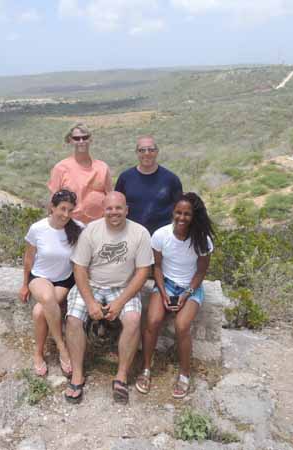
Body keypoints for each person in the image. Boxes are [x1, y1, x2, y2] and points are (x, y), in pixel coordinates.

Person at [64, 192, 154, 404]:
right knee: (74, 320)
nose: (114, 212)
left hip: (122, 287)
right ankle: (77, 374)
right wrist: (90, 302)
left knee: (132, 320)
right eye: (109, 208)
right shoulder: (91, 231)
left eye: (118, 208)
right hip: (91, 284)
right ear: (103, 210)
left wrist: (121, 301)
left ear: (126, 210)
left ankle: (121, 375)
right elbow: (79, 268)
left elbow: (143, 272)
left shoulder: (140, 233)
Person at [136, 192, 215, 399]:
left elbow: (201, 272)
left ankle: (185, 373)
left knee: (182, 326)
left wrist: (187, 293)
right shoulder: (161, 235)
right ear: (173, 212)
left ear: (194, 216)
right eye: (178, 213)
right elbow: (158, 268)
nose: (181, 218)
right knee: (153, 320)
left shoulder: (202, 240)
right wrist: (163, 293)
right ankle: (146, 368)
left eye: (187, 214)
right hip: (166, 284)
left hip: (191, 286)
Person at [19, 189, 83, 377]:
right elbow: (29, 259)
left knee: (39, 311)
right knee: (46, 297)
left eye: (70, 210)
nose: (66, 214)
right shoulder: (38, 228)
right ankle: (62, 347)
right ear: (52, 207)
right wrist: (24, 284)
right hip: (39, 276)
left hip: (64, 280)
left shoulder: (78, 227)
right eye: (62, 209)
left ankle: (38, 354)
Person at [115, 136, 183, 235]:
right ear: (137, 153)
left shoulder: (171, 179)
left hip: (163, 237)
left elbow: (180, 210)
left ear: (157, 152)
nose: (147, 153)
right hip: (132, 236)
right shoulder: (125, 178)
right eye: (142, 150)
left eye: (151, 150)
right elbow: (117, 207)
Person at [48, 123, 113, 224]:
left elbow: (110, 199)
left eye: (85, 137)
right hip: (70, 225)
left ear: (90, 139)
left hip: (98, 226)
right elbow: (53, 202)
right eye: (77, 138)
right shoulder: (60, 168)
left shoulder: (102, 167)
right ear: (70, 140)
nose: (81, 141)